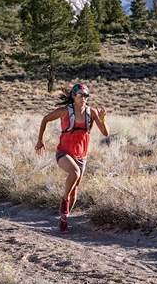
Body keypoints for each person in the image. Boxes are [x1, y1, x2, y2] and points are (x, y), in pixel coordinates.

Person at [34, 83, 108, 232]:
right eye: (81, 95)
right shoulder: (64, 111)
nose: (84, 98)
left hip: (82, 155)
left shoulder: (91, 112)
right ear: (74, 96)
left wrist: (102, 119)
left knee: (75, 192)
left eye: (86, 95)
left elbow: (105, 133)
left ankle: (63, 219)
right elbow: (45, 119)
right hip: (64, 153)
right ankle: (64, 200)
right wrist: (40, 140)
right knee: (74, 173)